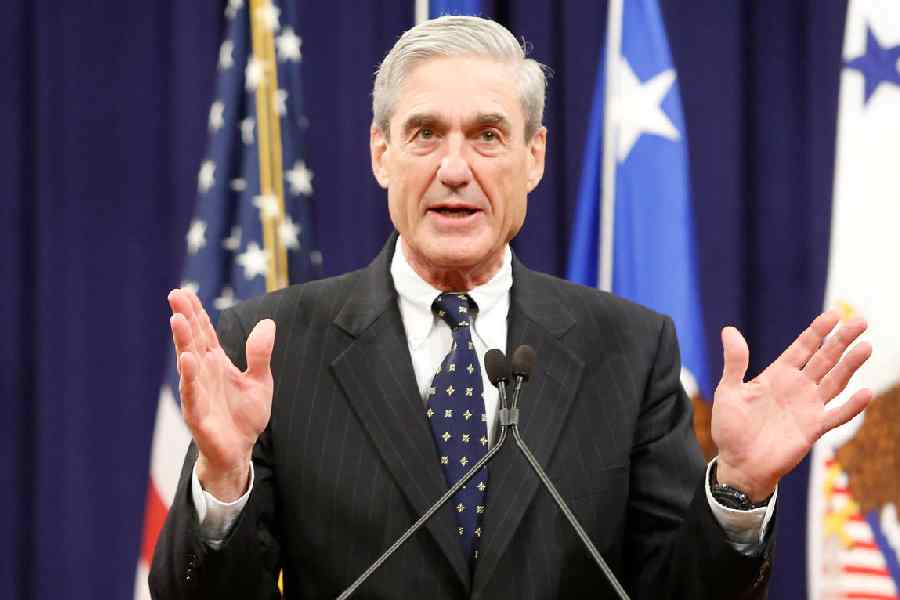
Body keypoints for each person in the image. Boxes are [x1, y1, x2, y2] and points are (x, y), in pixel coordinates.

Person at [149, 15, 872, 599]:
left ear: (534, 156)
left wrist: (739, 490)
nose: (455, 168)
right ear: (380, 154)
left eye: (488, 135)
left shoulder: (630, 349)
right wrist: (221, 481)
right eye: (425, 133)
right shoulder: (275, 348)